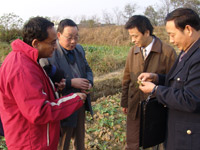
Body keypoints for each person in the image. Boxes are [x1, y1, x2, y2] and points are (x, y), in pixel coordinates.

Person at [0, 17, 86, 150]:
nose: (55, 46)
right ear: (36, 43)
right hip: (31, 143)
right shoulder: (22, 68)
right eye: (51, 43)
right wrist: (74, 99)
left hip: (36, 138)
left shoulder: (28, 60)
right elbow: (39, 111)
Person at [138, 8, 200, 150]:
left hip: (189, 139)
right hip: (178, 132)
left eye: (172, 34)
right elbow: (182, 82)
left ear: (188, 29)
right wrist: (157, 78)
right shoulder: (188, 51)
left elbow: (191, 99)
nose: (171, 40)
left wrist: (156, 90)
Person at [120, 15, 177, 150]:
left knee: (154, 141)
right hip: (135, 105)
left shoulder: (167, 52)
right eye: (131, 36)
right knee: (132, 142)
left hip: (156, 106)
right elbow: (126, 78)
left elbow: (173, 81)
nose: (133, 40)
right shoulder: (132, 51)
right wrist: (124, 102)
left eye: (135, 36)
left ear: (146, 32)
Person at [40, 19, 93, 150]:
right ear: (59, 35)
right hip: (63, 103)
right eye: (69, 38)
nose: (73, 41)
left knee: (80, 138)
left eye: (76, 37)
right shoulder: (50, 54)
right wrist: (71, 82)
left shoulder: (79, 49)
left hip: (80, 100)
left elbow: (87, 69)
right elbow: (48, 80)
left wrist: (89, 83)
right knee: (64, 140)